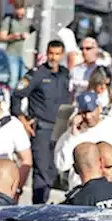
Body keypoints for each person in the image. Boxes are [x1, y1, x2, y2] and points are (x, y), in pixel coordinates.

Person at [16, 40, 71, 204]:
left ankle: (46, 206)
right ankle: (37, 208)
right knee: (41, 171)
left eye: (57, 54)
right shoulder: (36, 74)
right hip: (41, 129)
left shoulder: (64, 74)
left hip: (61, 129)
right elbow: (17, 96)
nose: (53, 58)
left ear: (62, 55)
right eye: (51, 53)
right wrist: (23, 120)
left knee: (53, 170)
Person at [54, 91, 112, 188]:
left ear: (99, 108)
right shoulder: (73, 134)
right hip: (83, 189)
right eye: (84, 112)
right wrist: (72, 136)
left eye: (90, 111)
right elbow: (61, 165)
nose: (88, 116)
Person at [0, 1, 37, 75]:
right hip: (12, 54)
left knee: (24, 80)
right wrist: (12, 36)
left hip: (26, 55)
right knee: (13, 79)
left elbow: (36, 36)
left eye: (22, 14)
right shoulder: (9, 20)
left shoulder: (29, 22)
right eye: (18, 13)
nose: (20, 15)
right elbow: (1, 37)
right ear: (15, 10)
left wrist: (28, 37)